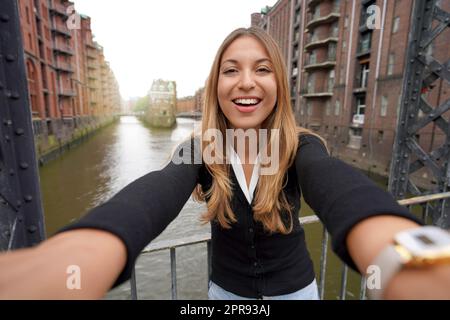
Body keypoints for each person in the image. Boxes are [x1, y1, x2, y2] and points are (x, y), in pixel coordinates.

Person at [1, 27, 450, 300]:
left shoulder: (300, 147)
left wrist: (406, 260)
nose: (246, 82)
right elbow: (155, 193)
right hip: (223, 296)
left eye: (262, 69)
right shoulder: (203, 149)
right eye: (231, 70)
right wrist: (73, 256)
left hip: (296, 293)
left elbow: (341, 191)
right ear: (217, 85)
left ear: (278, 83)